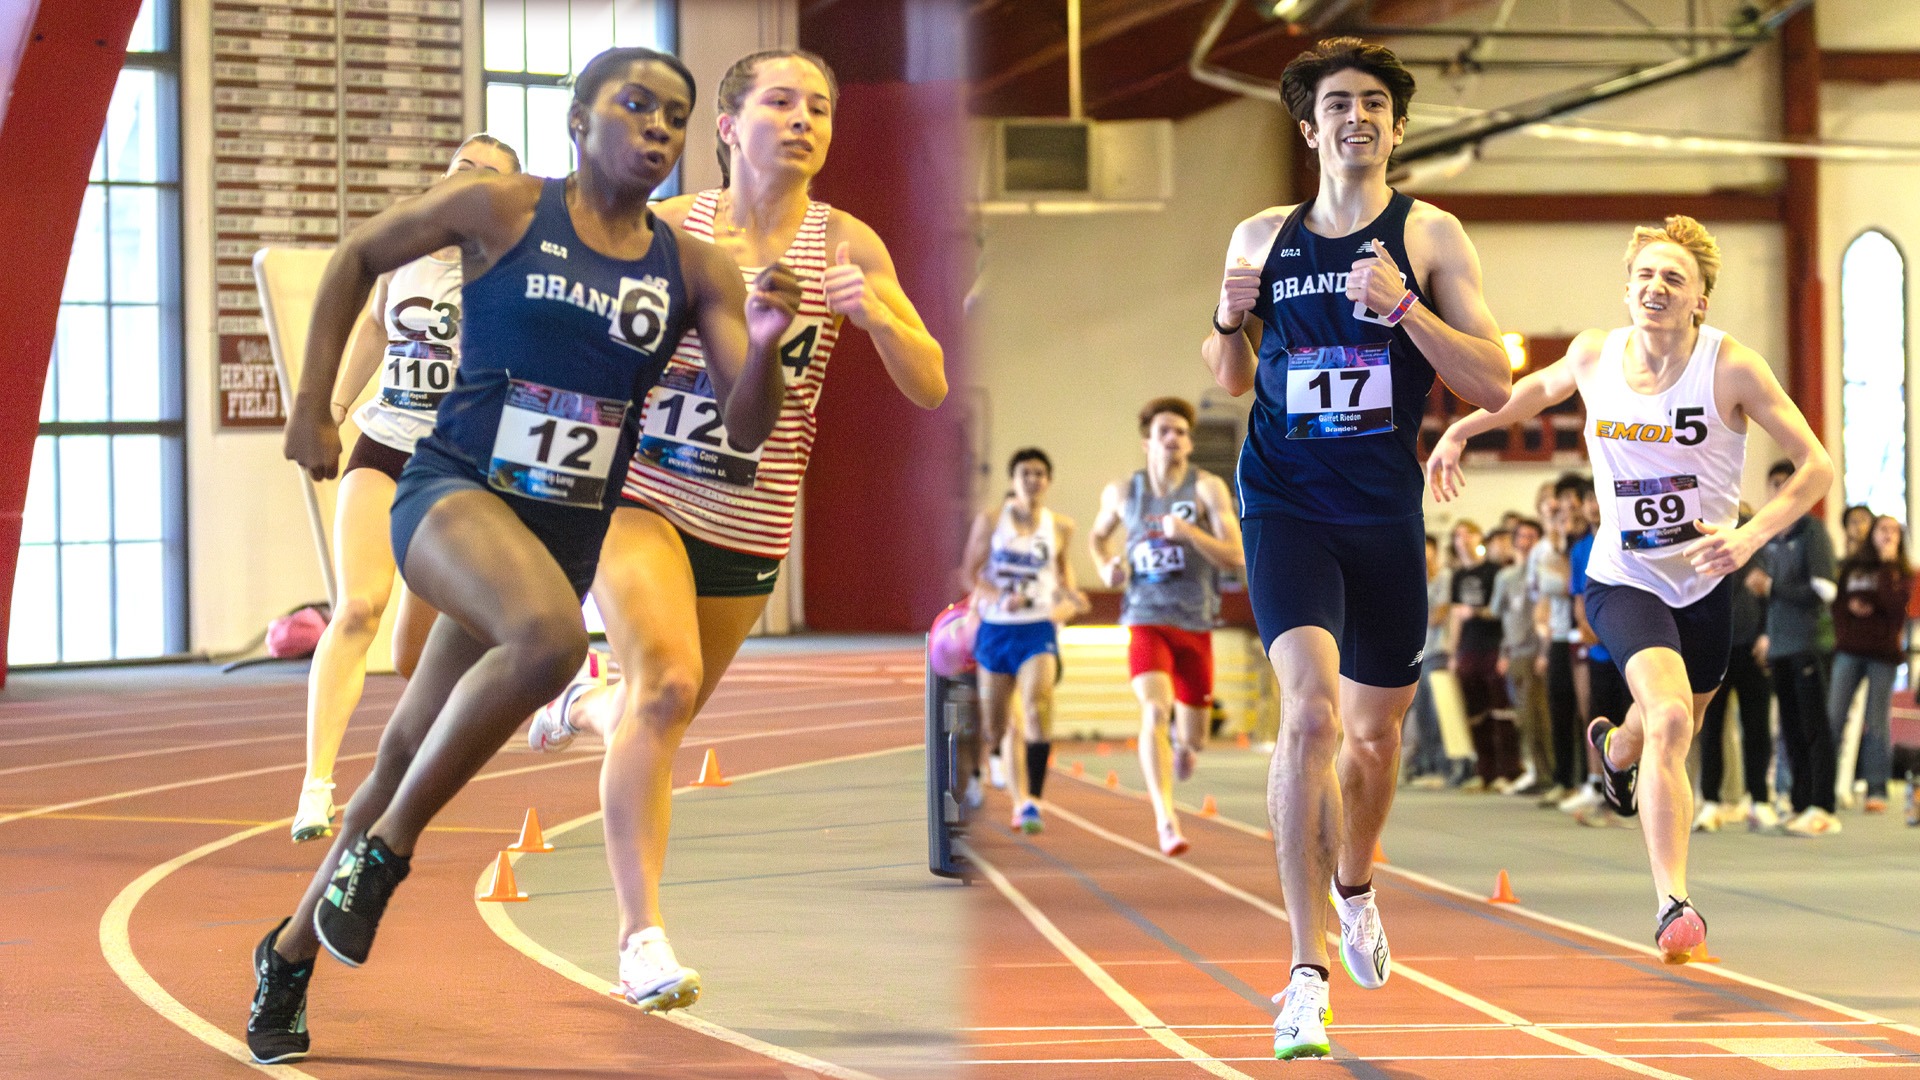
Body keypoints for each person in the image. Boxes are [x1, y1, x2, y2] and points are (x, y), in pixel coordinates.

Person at [247, 47, 800, 1064]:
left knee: (405, 752)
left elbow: (748, 424)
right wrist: (313, 405)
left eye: (675, 116)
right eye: (635, 106)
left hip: (559, 534)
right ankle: (387, 855)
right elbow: (356, 256)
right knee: (552, 645)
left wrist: (764, 343)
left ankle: (286, 954)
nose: (658, 128)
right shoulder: (501, 207)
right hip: (451, 494)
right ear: (579, 121)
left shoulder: (694, 268)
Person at [519, 48, 945, 1009]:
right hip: (640, 494)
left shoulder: (849, 244)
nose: (804, 120)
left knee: (655, 713)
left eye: (820, 108)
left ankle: (582, 705)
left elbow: (930, 384)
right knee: (667, 686)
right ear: (727, 126)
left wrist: (879, 317)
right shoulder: (672, 227)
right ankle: (641, 940)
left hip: (749, 519)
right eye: (781, 102)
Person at [1202, 37, 1512, 1060]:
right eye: (1338, 103)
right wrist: (1226, 318)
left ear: (1397, 126)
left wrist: (1406, 307)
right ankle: (1304, 972)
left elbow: (1494, 382)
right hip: (1285, 501)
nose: (1357, 117)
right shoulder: (1261, 235)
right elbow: (1228, 377)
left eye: (1375, 103)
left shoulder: (1429, 234)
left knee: (1374, 741)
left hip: (1381, 514)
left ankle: (1357, 885)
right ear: (1310, 127)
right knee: (1309, 715)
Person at [1428, 214, 1833, 962]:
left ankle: (1615, 751)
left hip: (1705, 582)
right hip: (1624, 578)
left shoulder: (1731, 367)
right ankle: (1674, 905)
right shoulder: (1595, 355)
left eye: (1674, 278)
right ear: (1627, 289)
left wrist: (1748, 537)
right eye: (1645, 274)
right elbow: (1531, 391)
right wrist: (1459, 431)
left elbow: (1816, 466)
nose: (1656, 287)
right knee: (1672, 718)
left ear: (1700, 299)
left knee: (1668, 725)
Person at [291, 134, 523, 844]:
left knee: (414, 658)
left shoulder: (512, 269)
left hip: (456, 463)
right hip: (385, 443)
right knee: (357, 606)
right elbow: (371, 324)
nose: (470, 180)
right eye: (462, 167)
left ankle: (415, 777)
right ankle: (316, 788)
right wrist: (332, 409)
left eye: (488, 174)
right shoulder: (403, 248)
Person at [1089, 397, 1244, 855]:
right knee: (1154, 711)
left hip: (1195, 621)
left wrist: (1190, 533)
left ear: (1190, 443)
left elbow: (1236, 555)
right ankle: (1166, 820)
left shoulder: (1207, 489)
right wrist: (1104, 565)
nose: (1174, 438)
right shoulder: (1124, 492)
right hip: (1146, 617)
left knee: (1194, 735)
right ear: (1148, 442)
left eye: (1181, 432)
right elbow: (1097, 536)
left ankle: (1185, 745)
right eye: (1164, 431)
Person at [962, 448, 1087, 834]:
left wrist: (1071, 601)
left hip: (1037, 629)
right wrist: (998, 597)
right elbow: (969, 574)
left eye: (1039, 474)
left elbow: (1064, 579)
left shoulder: (1061, 526)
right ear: (1013, 480)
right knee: (996, 728)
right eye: (1025, 473)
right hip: (997, 629)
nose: (1032, 480)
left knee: (1035, 707)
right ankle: (983, 769)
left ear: (1048, 481)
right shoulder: (991, 521)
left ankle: (1030, 801)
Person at [1752, 460, 1841, 837]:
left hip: (1810, 643)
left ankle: (1823, 805)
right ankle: (1802, 803)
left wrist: (1773, 588)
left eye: (1784, 482)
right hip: (1781, 647)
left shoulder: (1812, 531)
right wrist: (1765, 634)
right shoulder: (1772, 537)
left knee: (1814, 727)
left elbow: (1825, 589)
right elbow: (1765, 595)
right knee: (1790, 728)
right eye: (1772, 483)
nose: (1778, 489)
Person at [1693, 504, 1775, 831]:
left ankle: (1760, 800)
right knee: (1711, 727)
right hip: (1714, 648)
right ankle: (1711, 801)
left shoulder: (1757, 536)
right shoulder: (1702, 531)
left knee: (1757, 728)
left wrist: (1768, 633)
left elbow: (1769, 590)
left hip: (1752, 647)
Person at [1828, 514, 1909, 814]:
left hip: (1883, 654)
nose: (1888, 535)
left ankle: (1876, 788)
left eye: (1894, 531)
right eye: (1882, 529)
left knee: (1876, 721)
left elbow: (1895, 608)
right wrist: (1854, 611)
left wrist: (1887, 567)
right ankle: (1824, 785)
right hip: (1849, 649)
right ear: (1872, 534)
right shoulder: (1853, 566)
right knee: (1834, 716)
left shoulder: (1900, 572)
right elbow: (1838, 604)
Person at [1450, 520, 1514, 790]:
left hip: (1493, 644)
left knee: (1500, 710)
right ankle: (1485, 771)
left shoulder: (1494, 571)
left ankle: (1509, 771)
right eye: (1458, 536)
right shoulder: (1457, 576)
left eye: (1468, 535)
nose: (1463, 540)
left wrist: (1475, 612)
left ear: (1478, 538)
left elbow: (1501, 611)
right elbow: (1455, 616)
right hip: (1468, 648)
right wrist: (1453, 652)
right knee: (1475, 712)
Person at [1494, 516, 1550, 794]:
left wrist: (1544, 652)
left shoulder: (1543, 573)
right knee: (1522, 717)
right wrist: (1503, 652)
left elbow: (1546, 615)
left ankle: (1543, 772)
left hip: (1535, 651)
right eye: (1521, 537)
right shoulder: (1506, 577)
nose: (1526, 542)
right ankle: (1531, 768)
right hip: (1514, 652)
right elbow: (1502, 614)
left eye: (1531, 537)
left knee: (1537, 716)